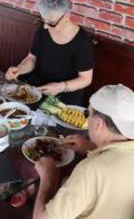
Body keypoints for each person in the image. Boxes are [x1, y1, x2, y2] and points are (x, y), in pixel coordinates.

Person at [33, 84, 134, 219]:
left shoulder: (90, 170)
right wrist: (91, 147)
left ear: (99, 124)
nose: (86, 118)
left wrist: (48, 177)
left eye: (88, 113)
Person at [6, 0, 93, 105]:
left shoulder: (82, 41)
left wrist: (60, 87)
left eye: (51, 23)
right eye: (43, 20)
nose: (46, 27)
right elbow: (31, 59)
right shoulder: (43, 29)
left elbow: (86, 79)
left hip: (65, 96)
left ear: (67, 16)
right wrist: (20, 69)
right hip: (38, 88)